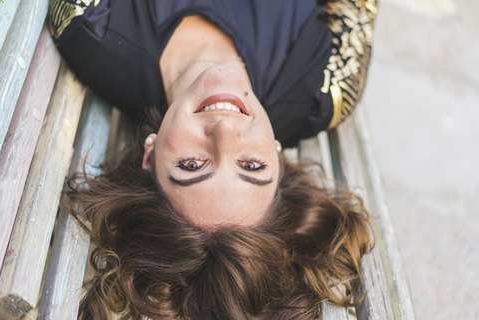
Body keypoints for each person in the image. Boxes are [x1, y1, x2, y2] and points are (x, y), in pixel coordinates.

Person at [49, 0, 377, 319]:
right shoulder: (328, 85)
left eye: (192, 164)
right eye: (251, 165)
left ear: (150, 154)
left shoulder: (91, 23)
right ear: (276, 157)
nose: (224, 130)